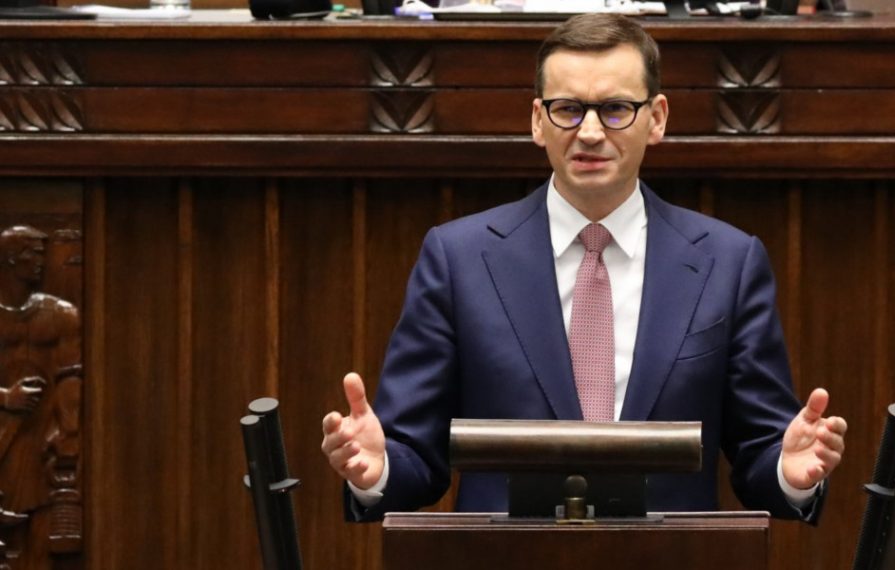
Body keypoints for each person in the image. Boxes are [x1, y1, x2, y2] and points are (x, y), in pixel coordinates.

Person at [321, 13, 847, 523]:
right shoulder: (458, 259)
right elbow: (413, 453)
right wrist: (377, 469)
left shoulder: (728, 262)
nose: (590, 132)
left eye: (616, 109)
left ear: (657, 118)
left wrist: (790, 472)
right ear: (537, 121)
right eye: (568, 109)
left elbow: (760, 450)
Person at [0, 225, 82, 561]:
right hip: (5, 430)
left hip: (39, 435)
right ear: (10, 258)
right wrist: (6, 398)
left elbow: (71, 377)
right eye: (31, 253)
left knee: (39, 534)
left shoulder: (61, 315)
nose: (40, 261)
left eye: (42, 254)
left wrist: (69, 432)